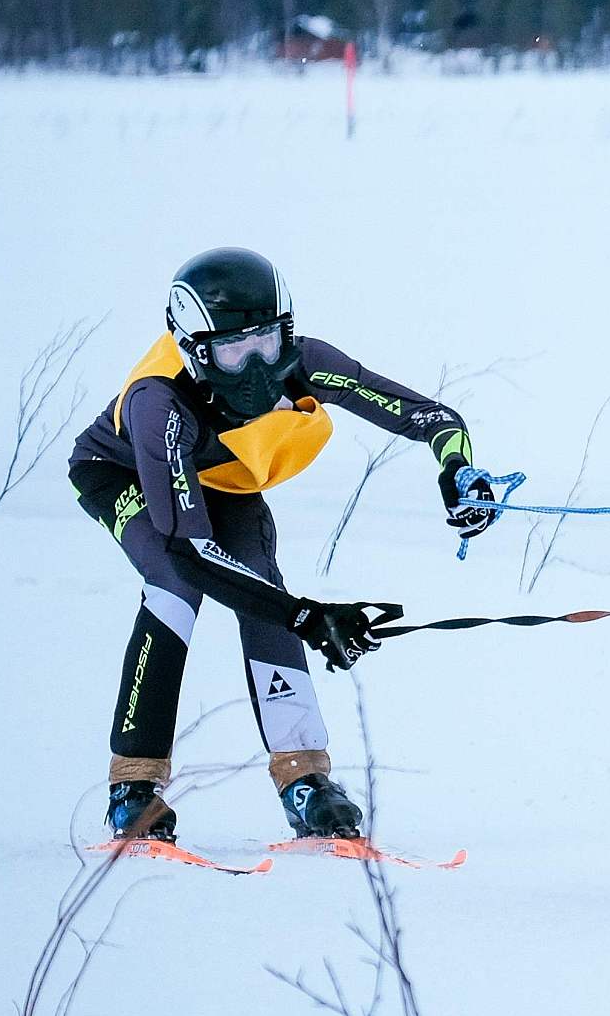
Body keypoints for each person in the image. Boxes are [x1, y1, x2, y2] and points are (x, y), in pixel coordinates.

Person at [66, 248, 507, 844]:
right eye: (232, 350)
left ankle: (303, 778)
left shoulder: (303, 362)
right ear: (196, 349)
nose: (255, 367)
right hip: (123, 475)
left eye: (267, 343)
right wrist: (308, 616)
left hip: (221, 478)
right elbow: (190, 553)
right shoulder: (158, 401)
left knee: (261, 586)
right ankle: (133, 785)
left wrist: (458, 470)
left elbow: (427, 415)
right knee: (175, 587)